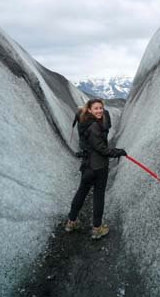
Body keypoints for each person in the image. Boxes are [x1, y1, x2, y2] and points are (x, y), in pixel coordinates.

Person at [65, 98, 127, 239]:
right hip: (99, 167)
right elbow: (101, 149)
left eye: (101, 108)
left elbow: (96, 139)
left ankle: (71, 222)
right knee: (98, 197)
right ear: (89, 110)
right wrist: (117, 152)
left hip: (87, 166)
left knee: (81, 192)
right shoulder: (93, 127)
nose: (99, 111)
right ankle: (97, 229)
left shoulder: (85, 121)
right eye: (96, 108)